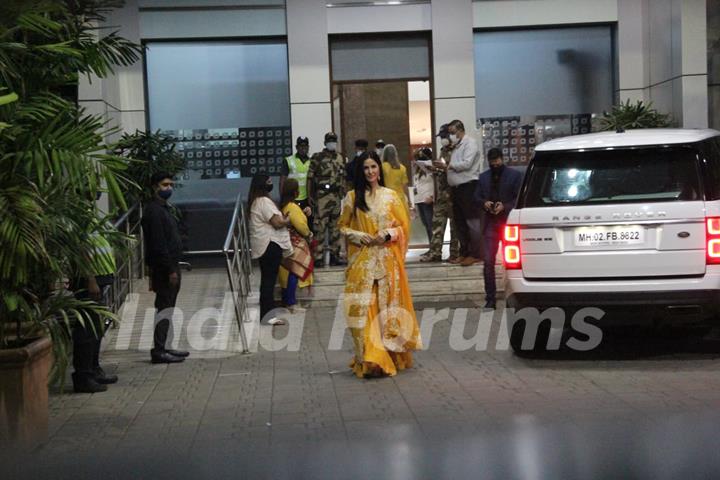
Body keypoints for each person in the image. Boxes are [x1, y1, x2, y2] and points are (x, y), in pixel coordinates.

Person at [338, 153, 421, 378]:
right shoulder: (352, 198)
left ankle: (387, 356)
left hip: (387, 263)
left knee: (387, 311)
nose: (370, 172)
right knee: (364, 311)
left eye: (373, 167)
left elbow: (403, 228)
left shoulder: (391, 196)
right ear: (360, 171)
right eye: (365, 168)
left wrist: (387, 234)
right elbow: (342, 227)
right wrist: (357, 235)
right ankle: (371, 359)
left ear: (379, 169)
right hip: (363, 265)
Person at [142, 172, 190, 364]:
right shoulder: (154, 211)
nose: (168, 188)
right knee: (164, 306)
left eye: (170, 184)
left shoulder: (163, 209)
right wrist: (170, 269)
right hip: (164, 267)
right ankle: (160, 349)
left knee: (168, 307)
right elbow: (159, 244)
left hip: (170, 264)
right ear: (155, 187)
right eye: (164, 185)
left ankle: (165, 346)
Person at [70, 210, 119, 393]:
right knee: (86, 330)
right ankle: (83, 376)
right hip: (90, 281)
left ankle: (93, 369)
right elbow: (81, 250)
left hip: (100, 279)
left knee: (96, 328)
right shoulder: (78, 216)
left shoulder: (89, 213)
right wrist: (90, 278)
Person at [474, 148, 523, 309]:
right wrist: (484, 203)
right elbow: (476, 197)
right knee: (488, 261)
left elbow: (519, 198)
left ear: (502, 159)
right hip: (491, 223)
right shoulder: (483, 177)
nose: (495, 164)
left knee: (513, 263)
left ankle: (515, 296)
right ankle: (490, 299)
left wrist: (505, 206)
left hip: (509, 223)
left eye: (497, 161)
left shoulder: (514, 176)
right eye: (492, 161)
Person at [248, 174, 293, 325]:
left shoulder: (255, 201)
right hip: (270, 245)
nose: (271, 183)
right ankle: (268, 315)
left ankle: (266, 313)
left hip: (263, 246)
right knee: (269, 281)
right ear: (262, 184)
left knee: (267, 280)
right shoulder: (264, 201)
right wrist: (287, 220)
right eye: (268, 181)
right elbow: (277, 223)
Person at [446, 119, 484, 267]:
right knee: (459, 223)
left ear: (460, 130)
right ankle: (465, 252)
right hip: (456, 189)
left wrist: (448, 166)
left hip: (468, 187)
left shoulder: (470, 143)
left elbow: (467, 164)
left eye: (452, 133)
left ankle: (476, 254)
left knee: (472, 223)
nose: (450, 136)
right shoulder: (456, 146)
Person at [421, 124, 461, 263]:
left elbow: (459, 170)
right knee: (437, 223)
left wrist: (444, 168)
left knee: (455, 226)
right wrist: (433, 169)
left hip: (454, 193)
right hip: (442, 193)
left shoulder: (459, 150)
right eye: (442, 137)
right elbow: (442, 170)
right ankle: (435, 253)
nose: (443, 139)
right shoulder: (443, 150)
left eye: (445, 136)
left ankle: (454, 254)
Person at [308, 132, 347, 267]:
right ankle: (317, 257)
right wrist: (310, 196)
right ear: (325, 142)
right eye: (329, 140)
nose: (332, 143)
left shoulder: (340, 158)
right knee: (320, 227)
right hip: (322, 196)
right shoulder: (317, 157)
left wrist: (343, 191)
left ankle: (335, 256)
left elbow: (343, 177)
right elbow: (310, 178)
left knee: (335, 227)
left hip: (336, 197)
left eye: (334, 140)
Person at [278, 179, 314, 314]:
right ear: (295, 191)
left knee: (290, 272)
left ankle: (289, 301)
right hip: (295, 244)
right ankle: (291, 303)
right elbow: (300, 225)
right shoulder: (292, 207)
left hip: (287, 243)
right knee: (295, 271)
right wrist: (309, 234)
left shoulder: (284, 205)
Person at [280, 137, 312, 226]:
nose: (303, 148)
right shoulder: (289, 160)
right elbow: (282, 181)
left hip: (306, 199)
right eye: (301, 146)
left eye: (305, 146)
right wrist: (283, 198)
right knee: (293, 225)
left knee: (307, 224)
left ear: (308, 147)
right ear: (296, 147)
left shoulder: (312, 162)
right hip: (291, 199)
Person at [380, 144, 411, 217]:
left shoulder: (381, 167)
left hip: (386, 198)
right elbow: (405, 186)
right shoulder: (402, 168)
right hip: (399, 199)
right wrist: (409, 200)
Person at [412, 147, 435, 243]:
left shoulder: (430, 167)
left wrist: (433, 196)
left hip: (427, 198)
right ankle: (431, 247)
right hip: (419, 199)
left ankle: (435, 248)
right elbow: (416, 185)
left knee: (430, 224)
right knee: (425, 224)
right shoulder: (417, 169)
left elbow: (436, 183)